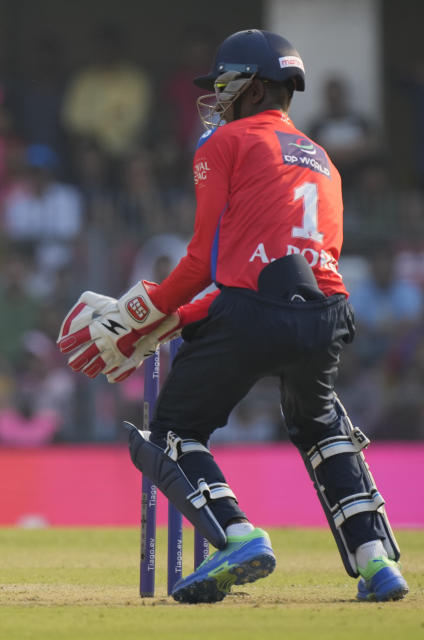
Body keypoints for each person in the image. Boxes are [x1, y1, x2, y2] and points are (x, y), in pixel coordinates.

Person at [57, 29, 408, 604]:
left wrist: (136, 314)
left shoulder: (224, 144)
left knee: (173, 432)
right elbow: (280, 272)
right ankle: (377, 565)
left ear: (252, 87)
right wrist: (172, 320)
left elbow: (201, 264)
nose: (217, 99)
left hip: (253, 310)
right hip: (327, 313)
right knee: (321, 428)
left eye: (223, 85)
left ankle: (239, 536)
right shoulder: (323, 159)